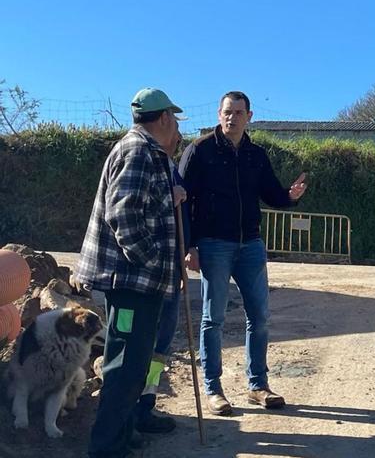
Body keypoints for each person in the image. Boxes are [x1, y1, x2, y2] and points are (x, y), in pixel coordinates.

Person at [179, 91, 307, 416]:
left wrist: (290, 197)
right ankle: (213, 389)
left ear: (249, 115)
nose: (231, 117)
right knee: (213, 319)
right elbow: (182, 201)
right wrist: (188, 246)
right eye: (226, 112)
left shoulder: (256, 155)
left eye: (238, 112)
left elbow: (271, 193)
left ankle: (258, 386)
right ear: (219, 114)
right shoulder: (200, 151)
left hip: (251, 245)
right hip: (214, 244)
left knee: (260, 317)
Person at [75, 88, 184, 458]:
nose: (176, 128)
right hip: (131, 283)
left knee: (133, 365)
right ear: (165, 117)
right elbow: (123, 215)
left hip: (138, 282)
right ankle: (106, 447)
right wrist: (152, 260)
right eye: (175, 120)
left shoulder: (144, 152)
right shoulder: (138, 151)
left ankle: (120, 435)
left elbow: (141, 204)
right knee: (124, 368)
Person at [132, 131, 188, 435]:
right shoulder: (145, 162)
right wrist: (171, 196)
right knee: (140, 347)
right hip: (148, 277)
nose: (179, 137)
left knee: (160, 349)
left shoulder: (171, 168)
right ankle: (128, 410)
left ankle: (147, 403)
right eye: (176, 131)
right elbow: (133, 213)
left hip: (171, 275)